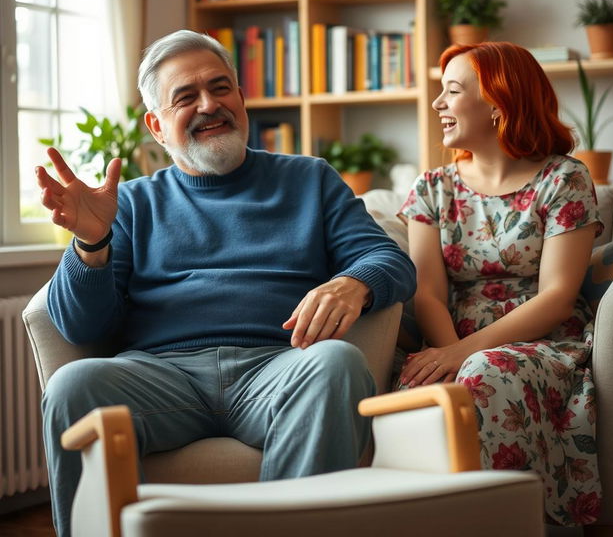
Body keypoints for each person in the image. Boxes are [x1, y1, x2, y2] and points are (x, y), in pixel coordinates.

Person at [36, 29, 416, 537]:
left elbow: (389, 259)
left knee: (336, 362)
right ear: (157, 125)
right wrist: (90, 243)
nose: (209, 105)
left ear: (241, 97)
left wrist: (354, 281)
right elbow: (82, 327)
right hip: (162, 376)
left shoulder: (310, 179)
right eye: (186, 97)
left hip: (279, 367)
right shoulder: (128, 203)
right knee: (71, 385)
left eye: (221, 88)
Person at [398, 42, 602, 527]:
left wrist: (464, 356)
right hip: (450, 340)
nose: (437, 104)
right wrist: (450, 353)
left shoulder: (564, 179)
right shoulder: (431, 188)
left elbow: (557, 297)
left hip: (542, 342)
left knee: (485, 374)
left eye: (451, 91)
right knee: (432, 382)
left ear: (497, 104)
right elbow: (427, 292)